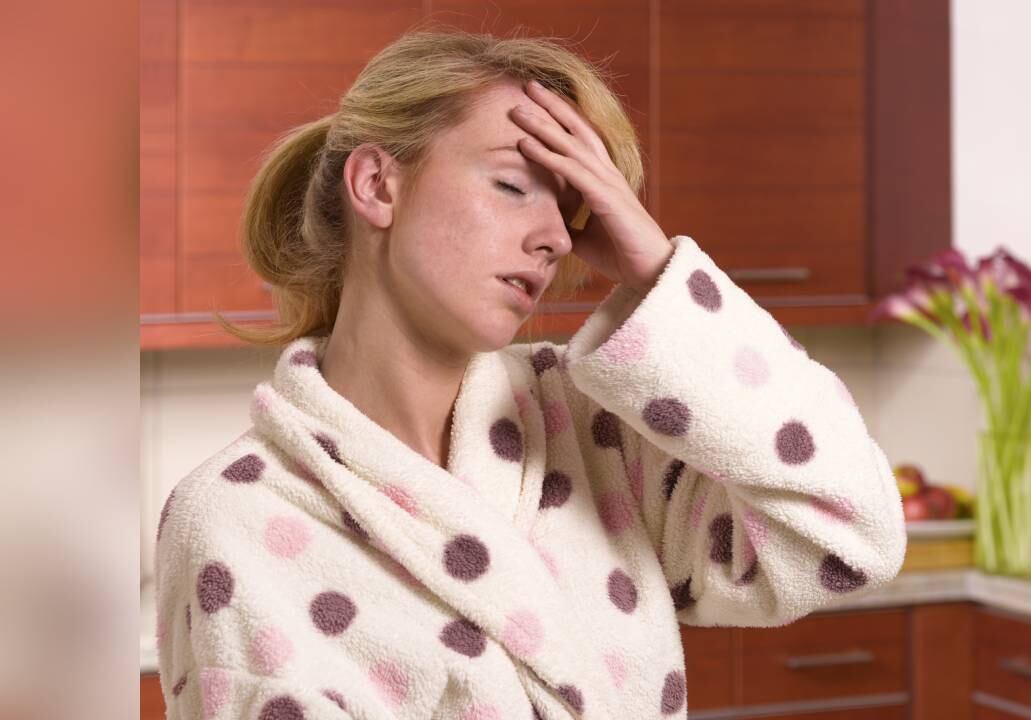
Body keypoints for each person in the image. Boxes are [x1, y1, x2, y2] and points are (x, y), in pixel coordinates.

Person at [154, 28, 906, 720]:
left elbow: (850, 534)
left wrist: (658, 273)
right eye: (514, 187)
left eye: (573, 210)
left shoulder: (592, 431)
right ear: (378, 186)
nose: (554, 239)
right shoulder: (235, 519)